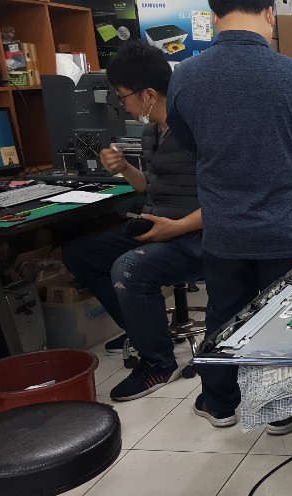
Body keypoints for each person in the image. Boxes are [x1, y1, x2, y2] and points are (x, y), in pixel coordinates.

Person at [166, 0, 292, 434]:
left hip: (223, 228)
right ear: (269, 14)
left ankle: (220, 404)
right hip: (286, 230)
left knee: (223, 314)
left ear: (214, 16)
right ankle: (282, 409)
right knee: (284, 318)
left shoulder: (186, 76)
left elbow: (187, 141)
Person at [63, 41, 203, 401]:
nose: (121, 103)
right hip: (159, 225)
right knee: (81, 254)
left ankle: (159, 363)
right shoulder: (151, 131)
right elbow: (149, 186)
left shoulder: (197, 130)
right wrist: (124, 167)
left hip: (195, 235)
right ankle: (144, 331)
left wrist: (176, 227)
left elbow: (225, 200)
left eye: (123, 96)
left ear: (150, 95)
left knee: (128, 268)